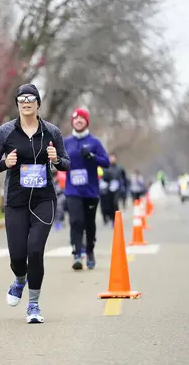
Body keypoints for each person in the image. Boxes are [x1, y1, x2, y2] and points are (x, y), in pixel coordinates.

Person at [0, 84, 70, 324]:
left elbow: (66, 163)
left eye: (31, 98)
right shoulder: (5, 132)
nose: (26, 102)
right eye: (22, 98)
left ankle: (33, 304)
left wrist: (56, 159)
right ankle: (19, 279)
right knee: (17, 256)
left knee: (35, 250)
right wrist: (5, 163)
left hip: (44, 199)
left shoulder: (51, 131)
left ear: (37, 103)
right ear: (17, 104)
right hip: (16, 200)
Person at [63, 108, 109, 271]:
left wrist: (92, 157)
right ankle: (77, 254)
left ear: (86, 122)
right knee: (76, 221)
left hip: (90, 191)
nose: (78, 121)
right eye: (75, 119)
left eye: (82, 119)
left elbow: (106, 162)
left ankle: (89, 251)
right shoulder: (66, 142)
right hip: (72, 190)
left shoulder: (94, 142)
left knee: (89, 223)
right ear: (72, 122)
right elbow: (59, 161)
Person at [101, 153, 126, 227]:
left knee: (115, 203)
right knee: (108, 205)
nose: (112, 159)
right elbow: (103, 177)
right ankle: (111, 218)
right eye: (110, 158)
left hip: (117, 188)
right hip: (108, 189)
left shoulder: (119, 168)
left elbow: (123, 178)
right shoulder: (105, 168)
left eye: (113, 158)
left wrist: (121, 184)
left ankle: (116, 220)